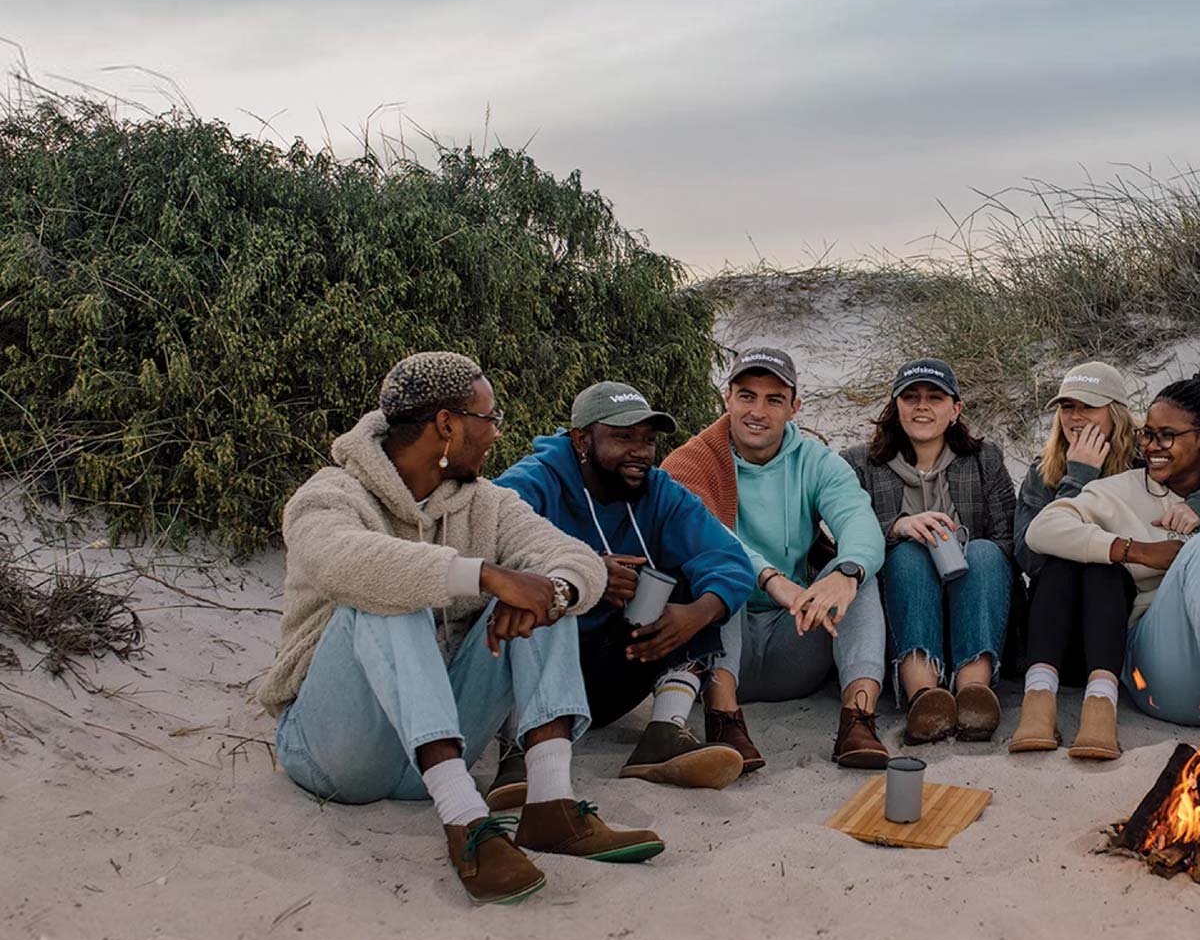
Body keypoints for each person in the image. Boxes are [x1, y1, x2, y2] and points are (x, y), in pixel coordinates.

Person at [258, 352, 663, 906]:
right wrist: (487, 576)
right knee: (385, 592)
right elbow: (341, 560)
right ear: (447, 425)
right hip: (336, 753)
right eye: (489, 419)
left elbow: (572, 556)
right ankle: (468, 823)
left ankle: (552, 806)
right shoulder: (330, 494)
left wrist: (554, 591)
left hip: (431, 754)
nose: (497, 434)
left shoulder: (486, 503)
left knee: (541, 592)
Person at [489, 380, 757, 804]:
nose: (641, 451)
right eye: (623, 437)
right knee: (528, 590)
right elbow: (485, 543)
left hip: (610, 672)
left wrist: (696, 614)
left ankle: (664, 733)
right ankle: (516, 753)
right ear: (581, 439)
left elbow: (730, 558)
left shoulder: (659, 490)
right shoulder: (533, 482)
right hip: (529, 678)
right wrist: (585, 571)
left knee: (703, 588)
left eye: (648, 440)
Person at [1024, 365, 1200, 759]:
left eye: (1168, 436)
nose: (1153, 447)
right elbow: (1042, 529)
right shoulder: (1122, 490)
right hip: (1167, 671)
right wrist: (1136, 550)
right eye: (1148, 435)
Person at [658, 347, 892, 770]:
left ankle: (858, 719)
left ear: (794, 406)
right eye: (747, 396)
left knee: (860, 576)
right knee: (717, 577)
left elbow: (859, 519)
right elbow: (704, 536)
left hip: (795, 637)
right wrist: (769, 577)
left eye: (773, 399)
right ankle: (724, 720)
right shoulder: (692, 461)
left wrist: (847, 571)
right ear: (727, 398)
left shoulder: (816, 462)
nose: (757, 411)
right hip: (724, 645)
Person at [841, 359, 1017, 743]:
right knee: (907, 555)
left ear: (955, 410)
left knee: (987, 552)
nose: (922, 406)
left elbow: (1009, 540)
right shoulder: (860, 464)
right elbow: (845, 538)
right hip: (905, 597)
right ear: (896, 407)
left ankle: (975, 693)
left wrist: (957, 544)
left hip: (974, 591)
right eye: (911, 397)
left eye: (935, 397)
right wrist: (899, 527)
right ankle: (924, 695)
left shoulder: (985, 459)